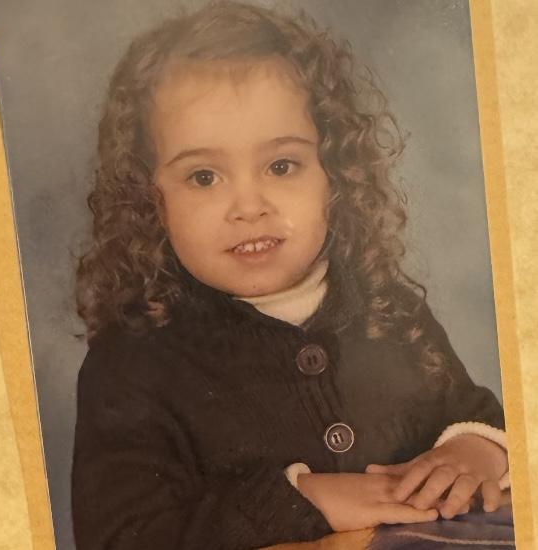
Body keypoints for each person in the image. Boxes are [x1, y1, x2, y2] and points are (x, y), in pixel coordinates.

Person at [72, 2, 509, 549]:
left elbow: (472, 411)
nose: (249, 206)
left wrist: (472, 450)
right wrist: (305, 500)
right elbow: (120, 537)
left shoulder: (386, 307)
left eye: (281, 166)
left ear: (334, 175)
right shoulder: (130, 365)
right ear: (148, 199)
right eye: (204, 177)